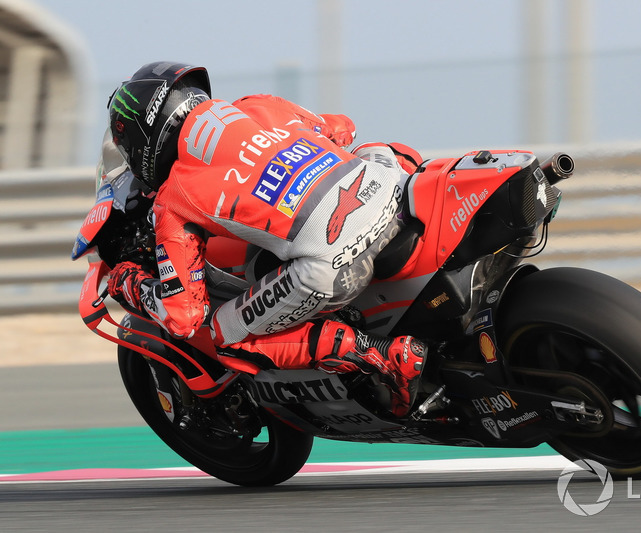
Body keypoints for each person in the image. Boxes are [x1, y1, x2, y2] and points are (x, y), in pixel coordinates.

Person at [104, 61, 426, 416]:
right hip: (387, 193)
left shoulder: (175, 195)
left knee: (220, 335)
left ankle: (378, 356)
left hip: (336, 263)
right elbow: (343, 128)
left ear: (142, 139)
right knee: (379, 147)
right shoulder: (257, 104)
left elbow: (185, 318)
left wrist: (130, 282)